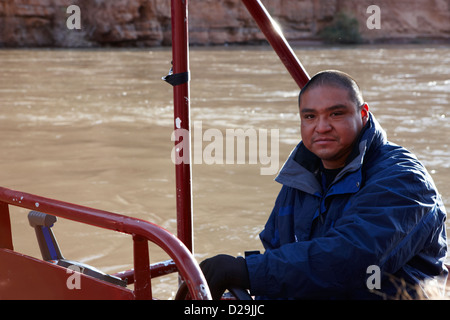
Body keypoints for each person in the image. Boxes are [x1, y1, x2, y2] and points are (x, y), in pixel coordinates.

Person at [200, 70, 448, 300]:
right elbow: (278, 254)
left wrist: (247, 271)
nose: (321, 127)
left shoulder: (403, 178)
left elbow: (354, 260)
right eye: (310, 116)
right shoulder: (301, 178)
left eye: (336, 114)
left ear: (362, 114)